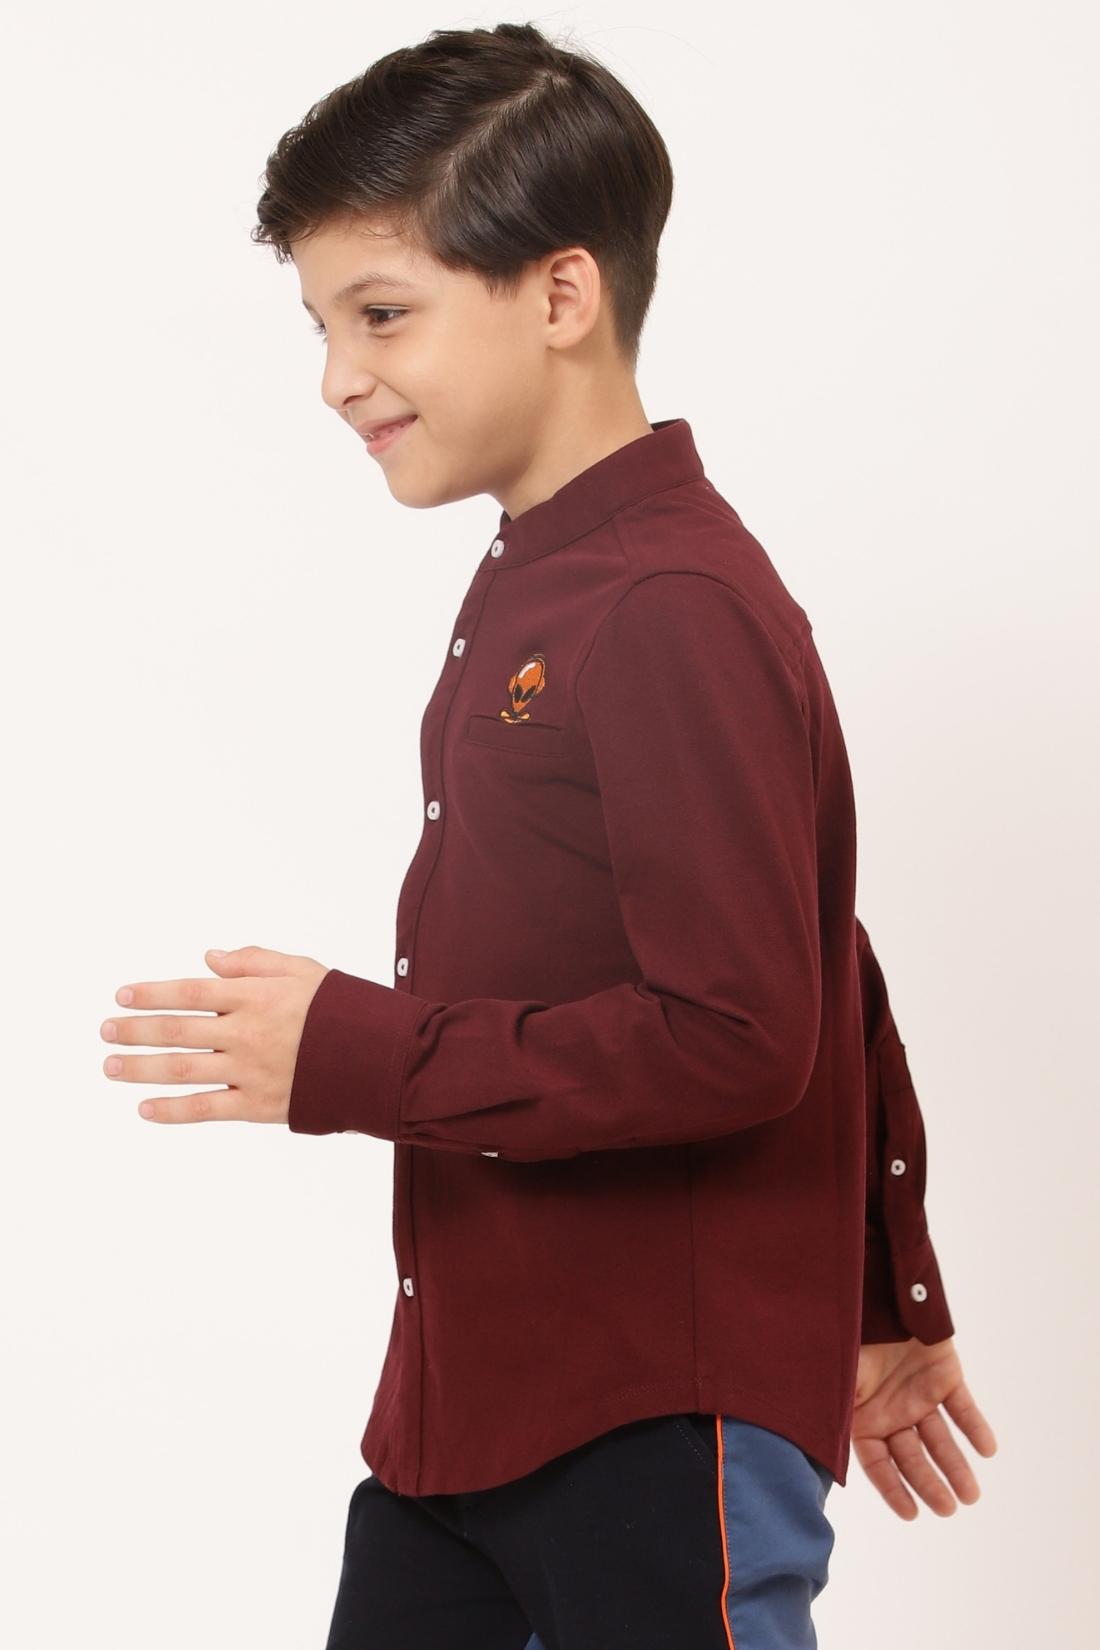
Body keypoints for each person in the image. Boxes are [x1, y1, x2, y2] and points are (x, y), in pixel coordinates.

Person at [103, 20, 997, 1648]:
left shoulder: (666, 600)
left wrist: (350, 1051)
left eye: (383, 313)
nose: (336, 376)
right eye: (321, 324)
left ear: (563, 294)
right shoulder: (551, 576)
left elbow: (744, 1026)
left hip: (647, 1419)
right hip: (466, 1418)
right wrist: (883, 1291)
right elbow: (822, 942)